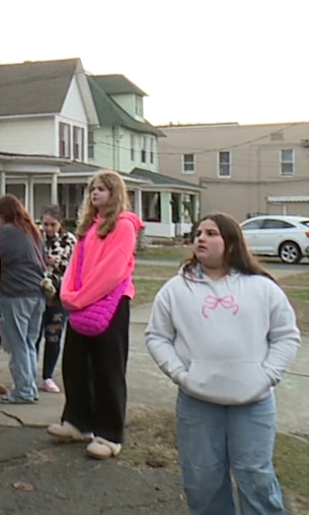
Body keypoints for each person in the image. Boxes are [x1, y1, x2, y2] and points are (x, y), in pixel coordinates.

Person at [146, 213, 300, 515]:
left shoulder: (262, 288)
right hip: (197, 402)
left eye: (211, 233)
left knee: (255, 475)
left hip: (253, 402)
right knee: (203, 480)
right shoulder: (176, 290)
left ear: (230, 243)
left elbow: (286, 336)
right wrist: (180, 374)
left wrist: (267, 375)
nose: (201, 238)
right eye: (198, 233)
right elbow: (157, 336)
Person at [48, 170, 143, 459]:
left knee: (108, 368)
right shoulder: (90, 225)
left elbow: (112, 270)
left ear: (115, 193)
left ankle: (109, 434)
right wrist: (70, 293)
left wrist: (81, 296)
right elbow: (76, 263)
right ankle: (78, 422)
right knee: (75, 363)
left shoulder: (124, 226)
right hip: (81, 302)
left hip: (110, 302)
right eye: (93, 189)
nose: (95, 193)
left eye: (102, 189)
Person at [0, 194, 46, 405]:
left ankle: (24, 390)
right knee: (29, 344)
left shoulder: (7, 233)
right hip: (37, 294)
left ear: (0, 215)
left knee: (17, 345)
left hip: (15, 294)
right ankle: (29, 386)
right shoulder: (32, 232)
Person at [38, 206, 76, 394]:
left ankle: (47, 376)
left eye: (53, 224)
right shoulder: (36, 237)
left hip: (59, 294)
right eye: (46, 224)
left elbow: (74, 266)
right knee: (34, 335)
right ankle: (28, 375)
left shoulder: (69, 240)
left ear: (60, 223)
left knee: (53, 336)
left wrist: (57, 262)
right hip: (37, 292)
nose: (49, 228)